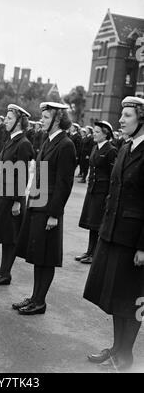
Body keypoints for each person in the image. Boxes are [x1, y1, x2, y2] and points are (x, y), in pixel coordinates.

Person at [84, 96, 144, 372]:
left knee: (129, 300)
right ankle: (117, 348)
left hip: (134, 240)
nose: (121, 120)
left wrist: (143, 247)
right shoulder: (126, 147)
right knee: (114, 296)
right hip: (114, 233)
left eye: (128, 115)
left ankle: (126, 355)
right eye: (122, 114)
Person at [14, 102, 76, 315]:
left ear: (58, 119)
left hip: (49, 208)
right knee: (38, 254)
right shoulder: (49, 140)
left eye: (47, 117)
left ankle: (40, 302)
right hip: (38, 203)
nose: (42, 120)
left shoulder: (66, 144)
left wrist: (54, 214)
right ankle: (34, 297)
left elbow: (64, 183)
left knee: (46, 257)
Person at [0, 104, 34, 286]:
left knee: (11, 237)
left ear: (20, 122)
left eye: (10, 118)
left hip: (12, 198)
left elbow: (22, 174)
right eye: (6, 118)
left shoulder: (23, 144)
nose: (6, 121)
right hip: (4, 194)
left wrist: (17, 202)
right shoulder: (12, 140)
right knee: (6, 235)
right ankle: (3, 269)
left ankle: (6, 273)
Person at [76, 121, 117, 264]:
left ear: (106, 135)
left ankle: (95, 254)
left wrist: (109, 196)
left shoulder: (111, 150)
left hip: (102, 192)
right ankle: (89, 251)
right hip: (92, 190)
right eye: (94, 131)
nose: (94, 134)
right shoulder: (95, 147)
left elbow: (113, 175)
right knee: (91, 223)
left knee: (97, 224)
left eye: (97, 132)